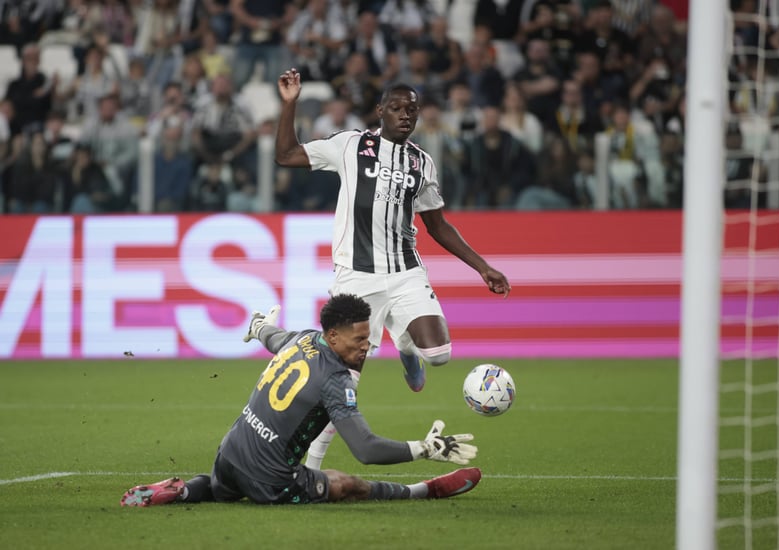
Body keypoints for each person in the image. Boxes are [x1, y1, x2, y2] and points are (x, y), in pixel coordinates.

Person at [274, 68, 511, 469]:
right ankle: (311, 467)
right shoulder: (350, 145)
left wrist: (482, 267)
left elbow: (437, 225)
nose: (405, 115)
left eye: (411, 110)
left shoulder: (421, 163)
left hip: (405, 272)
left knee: (439, 355)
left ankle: (405, 346)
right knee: (343, 381)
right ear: (380, 110)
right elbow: (285, 155)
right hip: (355, 278)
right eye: (397, 108)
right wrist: (290, 104)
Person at [121, 294, 481, 507]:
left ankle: (185, 491)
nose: (367, 346)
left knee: (221, 490)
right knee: (346, 484)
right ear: (333, 336)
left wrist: (257, 326)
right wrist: (425, 448)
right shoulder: (336, 380)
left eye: (368, 337)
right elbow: (366, 449)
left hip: (228, 456)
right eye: (359, 339)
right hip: (271, 481)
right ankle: (423, 491)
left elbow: (274, 337)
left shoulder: (304, 339)